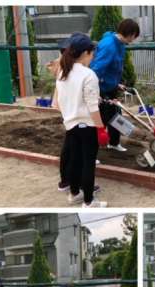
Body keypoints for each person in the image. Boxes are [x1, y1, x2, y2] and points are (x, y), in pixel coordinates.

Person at [54, 33, 109, 208]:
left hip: (71, 124)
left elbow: (58, 103)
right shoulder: (88, 75)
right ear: (85, 53)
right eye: (92, 54)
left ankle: (74, 194)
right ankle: (89, 201)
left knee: (75, 161)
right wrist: (101, 129)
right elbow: (93, 107)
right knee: (88, 163)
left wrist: (71, 115)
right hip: (88, 126)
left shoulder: (62, 73)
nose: (93, 57)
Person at [90, 18, 140, 152]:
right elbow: (96, 69)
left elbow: (113, 68)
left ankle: (114, 142)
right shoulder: (109, 46)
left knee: (115, 116)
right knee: (102, 119)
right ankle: (92, 150)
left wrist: (116, 84)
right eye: (134, 36)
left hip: (110, 86)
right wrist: (95, 91)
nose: (134, 39)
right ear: (130, 34)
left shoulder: (120, 44)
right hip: (100, 88)